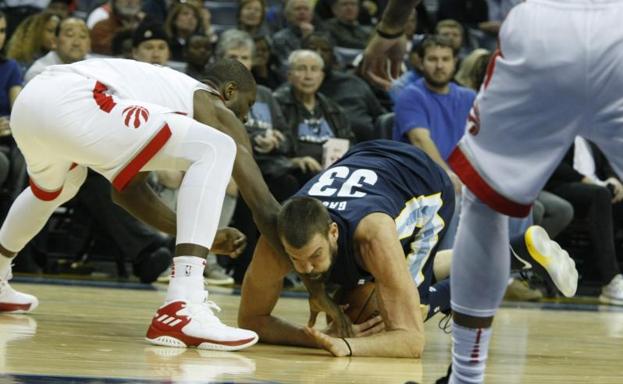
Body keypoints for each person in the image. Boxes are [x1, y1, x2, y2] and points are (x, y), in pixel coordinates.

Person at [364, 1, 608, 383]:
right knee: (478, 201)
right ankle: (514, 258)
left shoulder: (461, 94)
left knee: (483, 208)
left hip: (544, 26)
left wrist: (390, 30)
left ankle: (467, 374)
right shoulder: (418, 97)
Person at [0, 57, 284, 351]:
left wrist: (204, 237)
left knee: (55, 189)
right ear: (229, 91)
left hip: (31, 103)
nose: (247, 120)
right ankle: (182, 305)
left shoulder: (156, 97)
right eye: (248, 107)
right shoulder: (205, 98)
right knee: (216, 146)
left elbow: (128, 193)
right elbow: (263, 205)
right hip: (76, 98)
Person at [238, 140, 577, 357]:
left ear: (332, 234)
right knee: (361, 298)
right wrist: (309, 337)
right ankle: (521, 248)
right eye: (296, 260)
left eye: (314, 257)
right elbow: (251, 320)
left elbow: (411, 342)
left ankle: (517, 254)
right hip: (366, 158)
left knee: (384, 317)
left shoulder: (373, 236)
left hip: (423, 184)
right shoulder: (277, 242)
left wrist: (347, 345)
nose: (306, 269)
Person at [25, 17, 91, 83]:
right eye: (69, 35)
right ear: (54, 41)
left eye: (83, 36)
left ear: (89, 44)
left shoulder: (97, 68)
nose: (76, 43)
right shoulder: (39, 73)